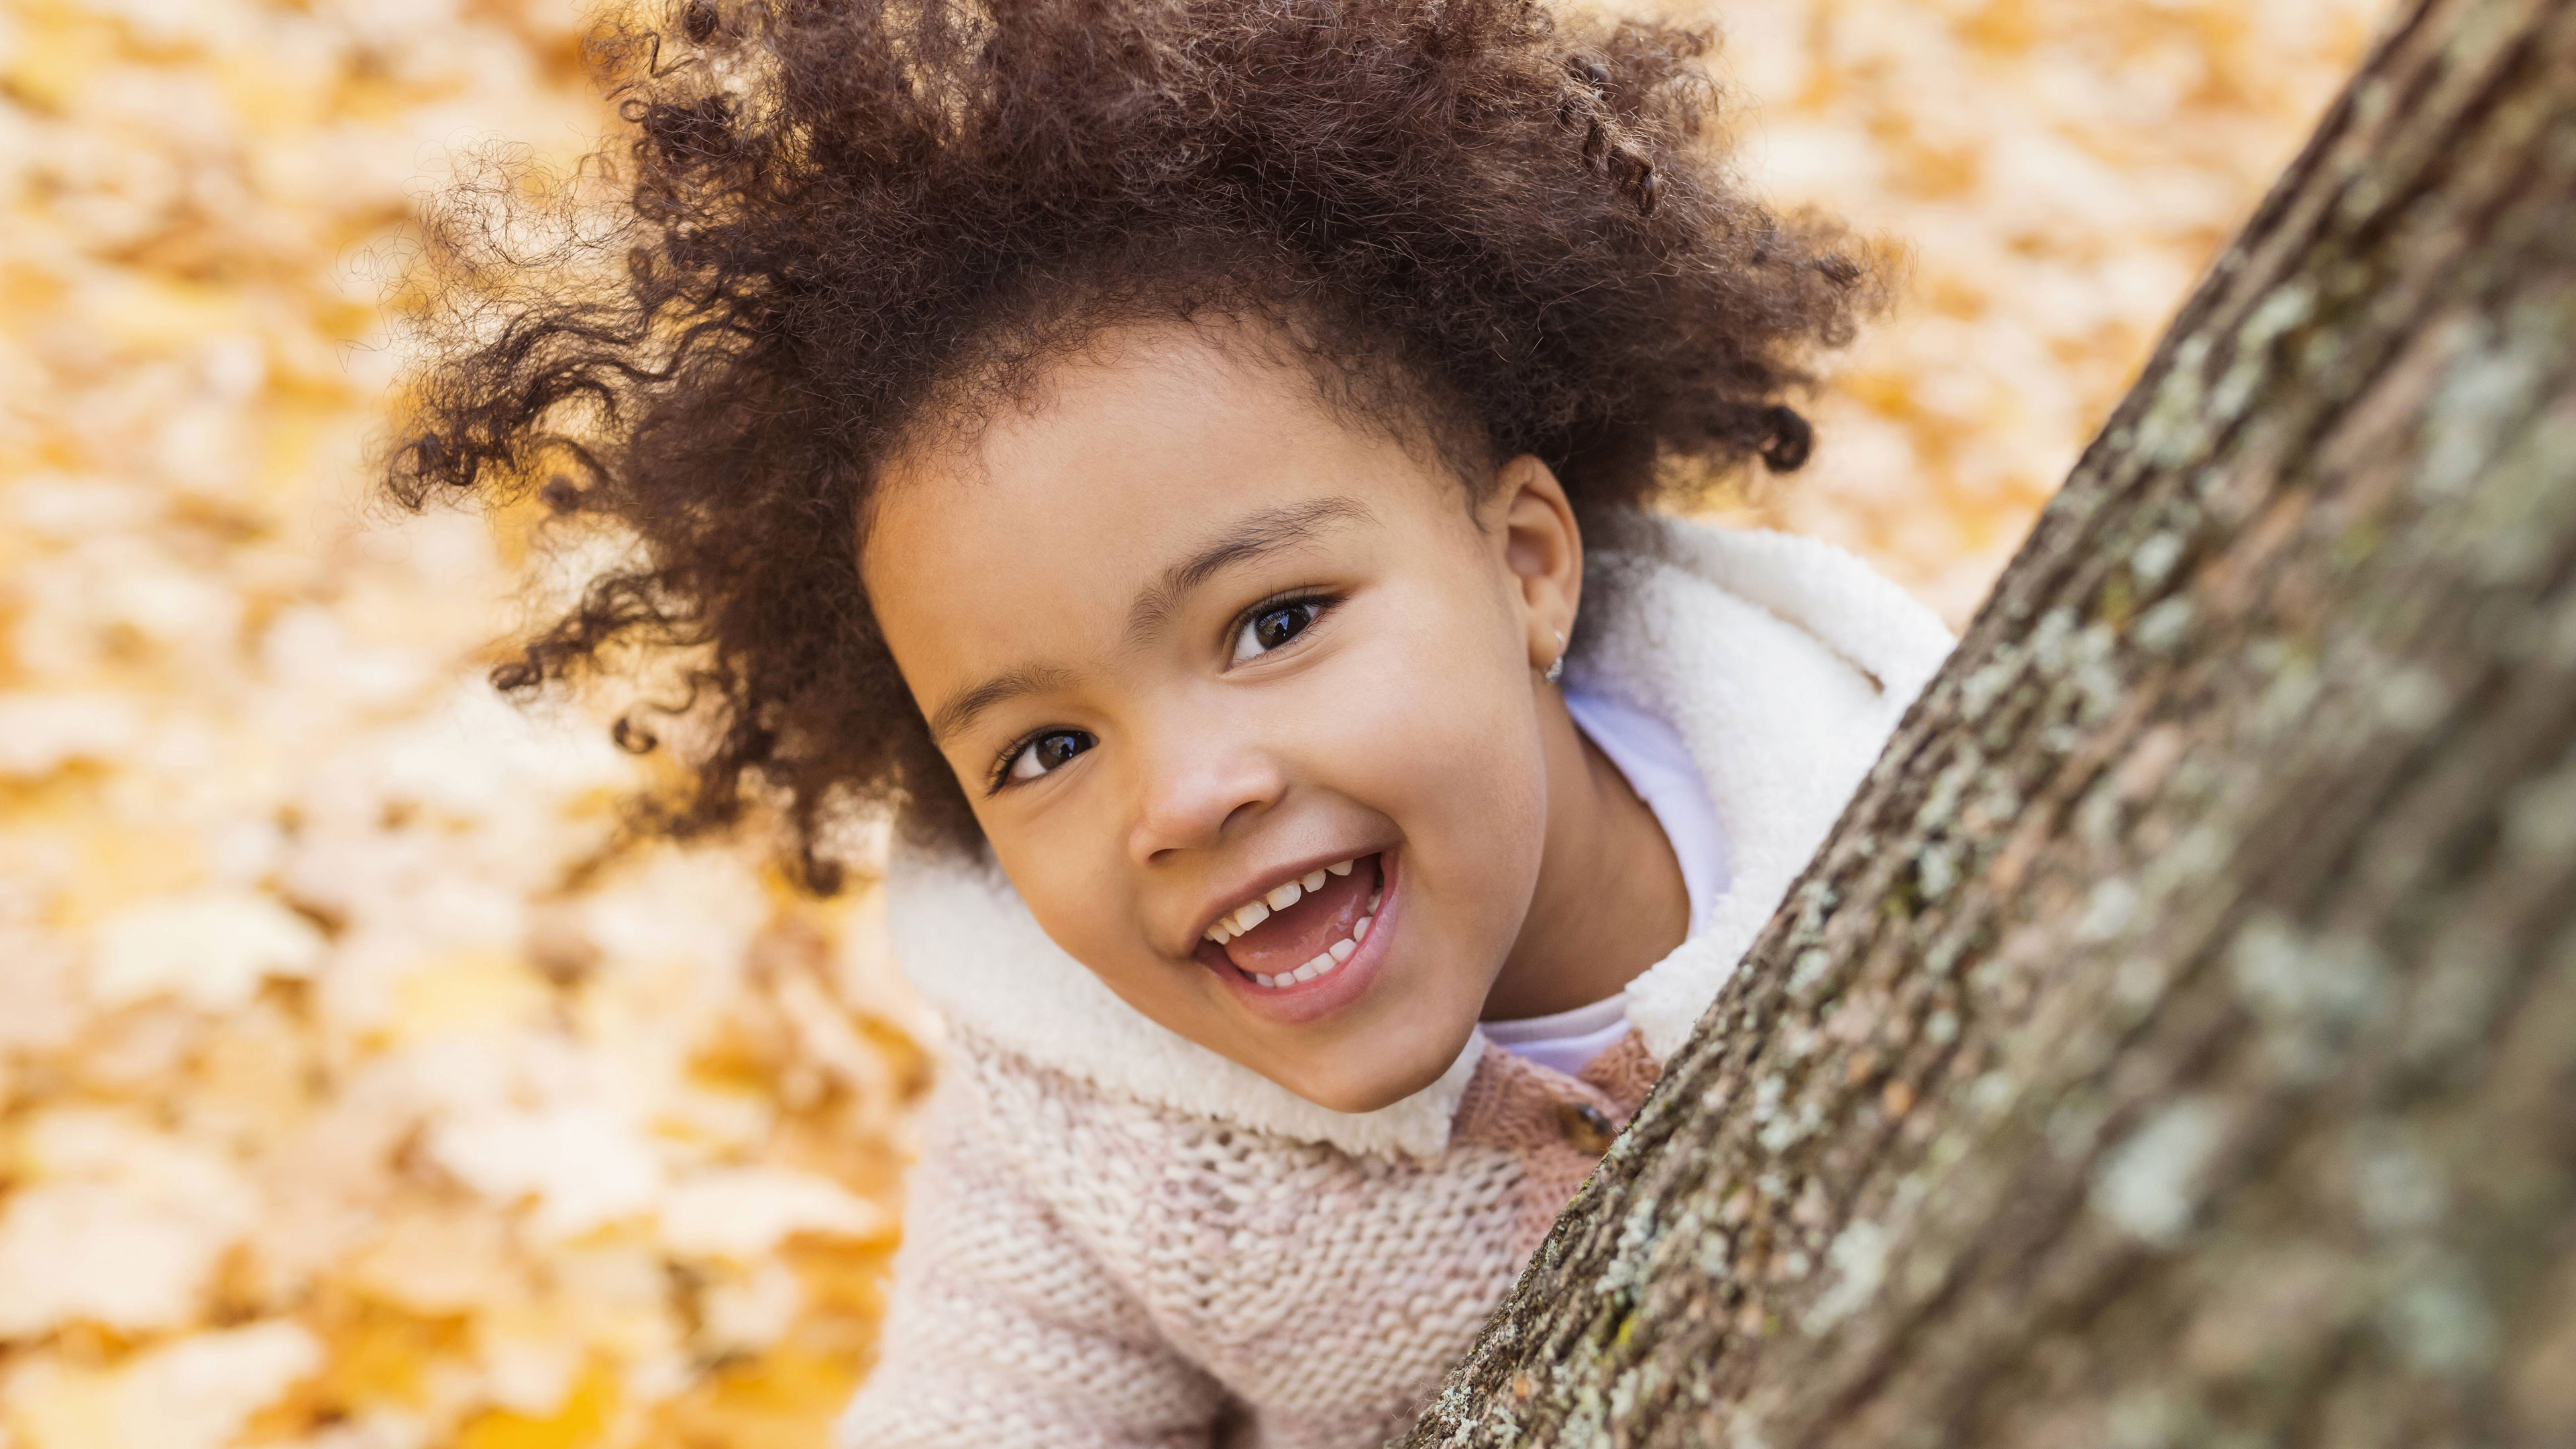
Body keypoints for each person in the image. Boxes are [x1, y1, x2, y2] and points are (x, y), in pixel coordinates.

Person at [386, 0, 1953, 1441]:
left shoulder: (1898, 827)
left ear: (1528, 567)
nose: (1187, 797)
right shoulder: (1086, 1121)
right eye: (1044, 750)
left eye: (1275, 624)